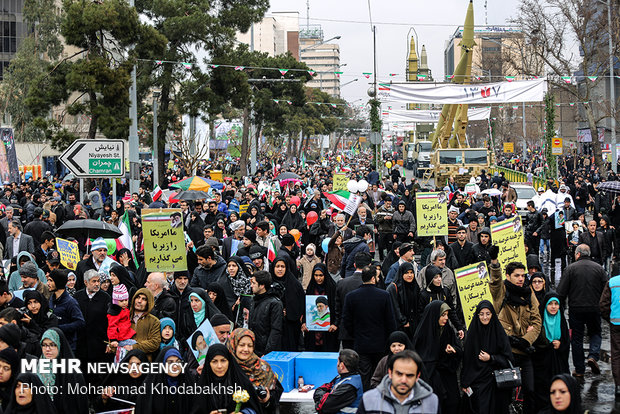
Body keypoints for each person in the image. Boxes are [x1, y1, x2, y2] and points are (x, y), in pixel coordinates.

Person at [489, 247, 542, 414]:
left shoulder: (529, 293)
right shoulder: (501, 293)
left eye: (522, 275)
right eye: (516, 275)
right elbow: (495, 282)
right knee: (504, 392)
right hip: (506, 351)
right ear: (508, 276)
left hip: (524, 350)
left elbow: (537, 321)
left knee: (530, 390)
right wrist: (494, 262)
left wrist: (526, 340)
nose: (521, 279)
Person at [342, 265, 397, 390]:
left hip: (361, 343)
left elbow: (346, 321)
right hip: (380, 344)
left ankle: (366, 402)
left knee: (364, 376)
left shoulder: (351, 296)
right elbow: (390, 321)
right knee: (380, 375)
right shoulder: (384, 295)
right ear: (373, 278)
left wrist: (355, 334)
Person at [557, 244, 607, 377]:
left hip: (576, 309)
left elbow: (561, 292)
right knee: (596, 333)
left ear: (578, 254)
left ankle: (579, 369)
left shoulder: (570, 269)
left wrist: (559, 309)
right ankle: (593, 355)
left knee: (577, 339)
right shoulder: (599, 269)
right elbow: (606, 290)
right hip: (594, 308)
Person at [461, 300, 513, 414]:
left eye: (488, 314)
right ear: (477, 315)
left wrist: (491, 358)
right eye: (482, 314)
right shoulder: (472, 334)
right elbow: (467, 360)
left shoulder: (498, 332)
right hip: (478, 381)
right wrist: (465, 382)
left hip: (497, 381)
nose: (485, 317)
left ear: (492, 315)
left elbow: (508, 359)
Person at [413, 301, 462, 413]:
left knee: (453, 403)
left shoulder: (447, 330)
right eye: (443, 315)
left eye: (447, 315)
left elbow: (458, 349)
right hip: (431, 376)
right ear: (435, 315)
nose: (446, 318)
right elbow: (420, 357)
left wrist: (452, 350)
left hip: (447, 373)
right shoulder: (423, 332)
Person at [357, 350, 439, 414]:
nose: (403, 380)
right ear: (390, 373)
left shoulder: (431, 402)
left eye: (409, 375)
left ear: (417, 376)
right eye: (399, 374)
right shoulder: (369, 399)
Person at [191, 343, 263, 414]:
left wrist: (243, 413)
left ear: (229, 361)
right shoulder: (202, 388)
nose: (219, 366)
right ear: (208, 364)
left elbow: (255, 409)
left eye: (223, 361)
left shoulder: (241, 382)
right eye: (214, 361)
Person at [227, 328, 284, 413]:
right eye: (242, 345)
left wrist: (267, 399)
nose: (246, 349)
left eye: (250, 346)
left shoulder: (263, 367)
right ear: (233, 345)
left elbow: (276, 394)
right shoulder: (225, 367)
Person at [532, 292, 570, 413]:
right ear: (545, 305)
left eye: (556, 304)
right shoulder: (540, 321)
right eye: (550, 304)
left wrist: (560, 344)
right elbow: (535, 342)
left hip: (558, 361)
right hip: (542, 362)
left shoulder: (561, 320)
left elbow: (566, 341)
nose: (553, 307)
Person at [38, 328, 89, 414]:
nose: (47, 349)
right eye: (44, 345)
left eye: (52, 344)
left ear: (60, 345)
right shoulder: (37, 368)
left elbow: (79, 405)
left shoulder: (73, 374)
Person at [135, 347, 196, 414]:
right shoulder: (149, 387)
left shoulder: (189, 384)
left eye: (178, 362)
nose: (175, 366)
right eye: (170, 362)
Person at [74, 269, 111, 371]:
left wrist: (109, 341)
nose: (97, 284)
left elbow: (110, 322)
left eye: (98, 281)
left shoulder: (105, 298)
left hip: (99, 344)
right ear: (86, 282)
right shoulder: (77, 296)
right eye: (94, 281)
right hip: (81, 344)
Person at [418, 265, 464, 339]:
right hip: (430, 331)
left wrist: (459, 327)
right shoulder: (424, 295)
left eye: (440, 276)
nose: (439, 279)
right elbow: (421, 316)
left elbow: (451, 311)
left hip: (445, 328)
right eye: (436, 277)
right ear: (430, 279)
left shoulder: (445, 291)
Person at [270, 257, 304, 352]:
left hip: (291, 326)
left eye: (282, 266)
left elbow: (300, 302)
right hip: (273, 325)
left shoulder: (294, 284)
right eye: (277, 266)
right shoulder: (269, 283)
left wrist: (289, 310)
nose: (280, 269)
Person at [314, 349, 364, 414]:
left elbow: (323, 406)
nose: (336, 364)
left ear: (342, 365)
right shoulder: (341, 377)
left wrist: (324, 397)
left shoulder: (349, 386)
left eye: (338, 361)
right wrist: (325, 396)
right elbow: (321, 388)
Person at [303, 263, 339, 352]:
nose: (318, 278)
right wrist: (304, 322)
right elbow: (305, 307)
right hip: (313, 329)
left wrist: (335, 323)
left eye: (321, 275)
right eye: (316, 275)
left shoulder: (332, 288)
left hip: (329, 330)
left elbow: (337, 307)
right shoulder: (311, 288)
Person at [47, 269, 85, 352]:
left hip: (67, 347)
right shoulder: (51, 299)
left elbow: (80, 322)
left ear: (58, 282)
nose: (48, 283)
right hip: (53, 346)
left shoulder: (71, 302)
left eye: (50, 281)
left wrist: (59, 328)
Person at [248, 270, 283, 356]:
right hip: (253, 349)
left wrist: (267, 352)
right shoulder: (254, 300)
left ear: (262, 285)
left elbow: (276, 330)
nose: (251, 286)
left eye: (254, 283)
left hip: (266, 352)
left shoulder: (275, 304)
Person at [386, 262, 420, 339]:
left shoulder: (415, 286)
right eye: (406, 273)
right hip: (400, 326)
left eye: (411, 272)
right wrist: (403, 321)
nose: (410, 275)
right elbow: (395, 307)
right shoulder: (393, 288)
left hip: (413, 325)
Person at [600, 268, 620, 396]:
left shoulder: (612, 282)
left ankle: (618, 384)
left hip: (616, 323)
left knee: (617, 353)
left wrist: (609, 318)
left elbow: (603, 304)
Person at [129, 288, 161, 360]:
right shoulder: (125, 317)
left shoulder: (154, 321)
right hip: (126, 361)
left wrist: (134, 347)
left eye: (144, 299)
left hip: (144, 362)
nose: (139, 301)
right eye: (138, 297)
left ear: (148, 303)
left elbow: (154, 343)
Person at [107, 284, 136, 361]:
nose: (124, 303)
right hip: (120, 339)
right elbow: (112, 326)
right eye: (121, 301)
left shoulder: (125, 309)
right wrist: (113, 339)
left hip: (125, 336)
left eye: (126, 300)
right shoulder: (115, 313)